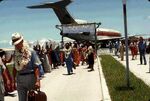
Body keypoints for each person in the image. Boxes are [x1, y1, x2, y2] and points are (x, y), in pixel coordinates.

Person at [11, 32, 41, 101]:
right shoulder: (15, 53)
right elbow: (15, 67)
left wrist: (37, 80)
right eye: (15, 44)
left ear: (22, 41)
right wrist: (13, 80)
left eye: (18, 43)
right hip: (20, 78)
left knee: (33, 98)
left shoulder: (31, 51)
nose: (17, 45)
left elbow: (36, 67)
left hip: (31, 77)